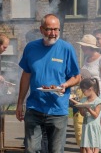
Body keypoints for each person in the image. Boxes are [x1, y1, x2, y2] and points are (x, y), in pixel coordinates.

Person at [16, 14, 81, 152]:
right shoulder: (31, 48)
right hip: (34, 108)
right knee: (31, 149)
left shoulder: (66, 49)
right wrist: (20, 103)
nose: (53, 33)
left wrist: (66, 85)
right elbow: (26, 76)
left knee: (56, 151)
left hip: (57, 109)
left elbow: (76, 77)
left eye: (56, 29)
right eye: (49, 29)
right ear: (41, 29)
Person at [77, 78, 101, 153]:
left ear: (90, 89)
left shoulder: (98, 101)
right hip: (86, 126)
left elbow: (95, 115)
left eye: (84, 91)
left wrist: (88, 108)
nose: (83, 93)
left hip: (94, 126)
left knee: (95, 146)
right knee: (87, 146)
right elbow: (83, 114)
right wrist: (80, 107)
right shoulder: (83, 100)